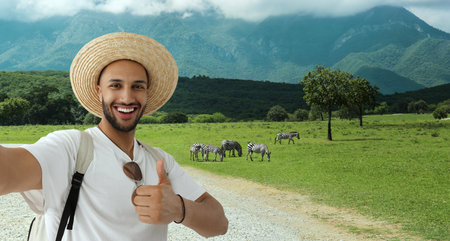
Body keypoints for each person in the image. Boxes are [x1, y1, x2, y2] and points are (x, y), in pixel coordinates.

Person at [0, 32, 228, 240]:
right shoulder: (70, 147)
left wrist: (179, 208)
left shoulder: (160, 161)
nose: (127, 97)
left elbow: (219, 224)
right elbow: (7, 171)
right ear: (100, 91)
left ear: (147, 93)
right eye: (116, 85)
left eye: (138, 86)